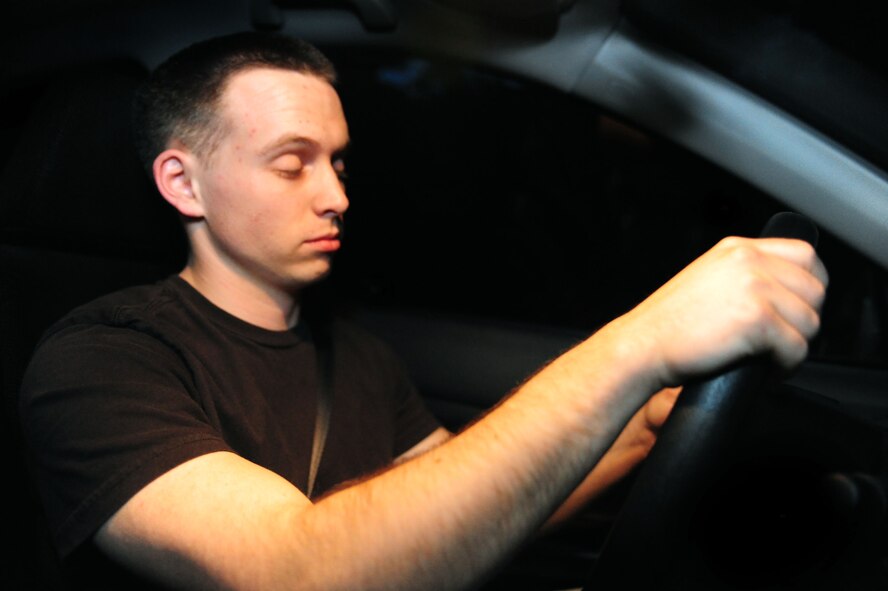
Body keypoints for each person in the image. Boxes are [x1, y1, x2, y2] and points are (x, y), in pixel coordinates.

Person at [19, 31, 827, 590]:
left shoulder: (355, 354)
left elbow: (471, 496)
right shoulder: (101, 361)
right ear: (182, 183)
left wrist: (642, 422)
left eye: (339, 163)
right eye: (292, 164)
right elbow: (295, 572)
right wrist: (638, 345)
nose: (336, 196)